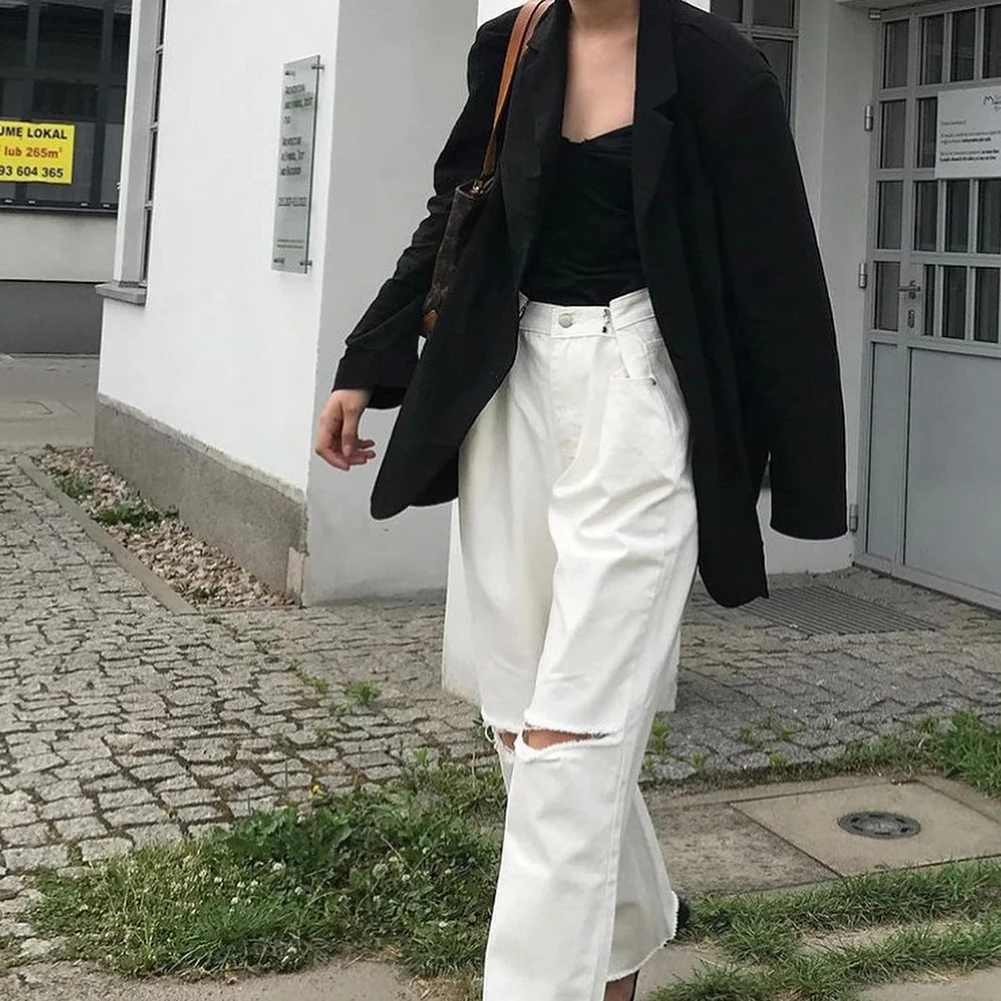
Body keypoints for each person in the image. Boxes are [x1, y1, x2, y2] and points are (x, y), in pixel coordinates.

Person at [315, 0, 847, 998]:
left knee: (571, 739)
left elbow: (776, 274)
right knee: (521, 728)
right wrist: (366, 360)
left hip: (637, 392)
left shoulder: (720, 72)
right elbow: (456, 213)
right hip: (509, 385)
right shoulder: (512, 46)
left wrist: (808, 479)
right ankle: (627, 936)